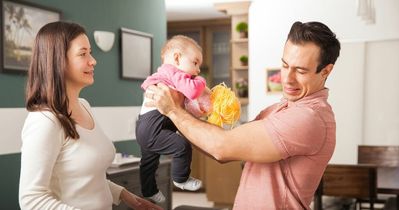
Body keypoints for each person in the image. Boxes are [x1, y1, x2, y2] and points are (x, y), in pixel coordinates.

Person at [145, 21, 341, 209]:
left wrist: (173, 110)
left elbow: (222, 147)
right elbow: (223, 150)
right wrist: (181, 113)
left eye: (300, 70)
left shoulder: (309, 118)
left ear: (326, 71)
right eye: (284, 65)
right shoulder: (276, 110)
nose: (287, 79)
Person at [19, 21, 162, 210]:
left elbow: (88, 178)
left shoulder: (84, 106)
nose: (93, 61)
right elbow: (32, 199)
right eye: (83, 53)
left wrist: (128, 197)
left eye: (90, 52)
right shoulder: (45, 120)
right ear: (58, 60)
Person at [136, 35, 210, 203]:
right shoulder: (173, 72)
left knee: (149, 162)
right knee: (181, 146)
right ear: (177, 58)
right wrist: (201, 81)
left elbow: (185, 106)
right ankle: (181, 179)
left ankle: (149, 190)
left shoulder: (167, 76)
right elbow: (192, 92)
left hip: (146, 126)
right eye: (195, 63)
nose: (198, 70)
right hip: (154, 126)